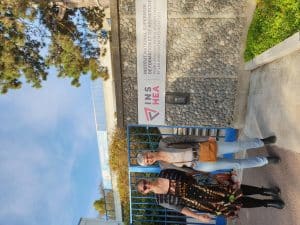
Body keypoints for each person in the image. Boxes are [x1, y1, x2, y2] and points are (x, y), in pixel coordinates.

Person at [136, 169, 284, 223]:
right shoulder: (160, 199)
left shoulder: (164, 173)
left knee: (235, 190)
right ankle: (268, 204)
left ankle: (265, 191)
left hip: (204, 185)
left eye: (145, 183)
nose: (147, 185)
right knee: (234, 203)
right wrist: (198, 217)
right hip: (202, 202)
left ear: (147, 180)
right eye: (145, 188)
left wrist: (208, 175)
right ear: (145, 192)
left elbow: (187, 172)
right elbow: (180, 208)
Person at [136, 135, 279, 172]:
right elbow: (183, 171)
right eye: (147, 161)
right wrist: (196, 172)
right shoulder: (163, 166)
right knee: (235, 164)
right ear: (150, 163)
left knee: (236, 146)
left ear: (147, 152)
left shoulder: (163, 143)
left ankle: (261, 142)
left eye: (146, 156)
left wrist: (205, 139)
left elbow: (186, 138)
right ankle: (265, 160)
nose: (149, 159)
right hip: (199, 164)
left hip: (201, 148)